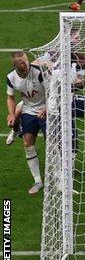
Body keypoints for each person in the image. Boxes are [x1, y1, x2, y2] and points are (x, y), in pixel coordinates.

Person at [6, 52, 48, 194]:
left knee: (53, 144)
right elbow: (10, 97)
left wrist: (47, 107)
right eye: (22, 63)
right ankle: (38, 181)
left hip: (45, 108)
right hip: (29, 110)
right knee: (27, 144)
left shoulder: (38, 72)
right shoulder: (11, 77)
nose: (26, 63)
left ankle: (60, 180)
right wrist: (12, 114)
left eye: (26, 60)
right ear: (15, 65)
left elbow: (53, 91)